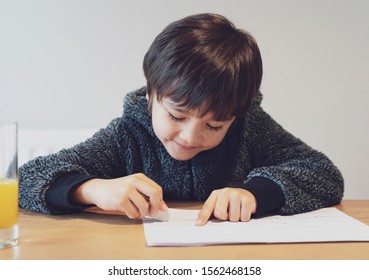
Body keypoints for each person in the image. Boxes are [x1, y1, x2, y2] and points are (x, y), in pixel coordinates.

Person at [19, 13, 344, 225]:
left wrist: (255, 193)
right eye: (176, 115)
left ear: (236, 115)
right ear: (151, 96)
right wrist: (91, 190)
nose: (190, 136)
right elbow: (27, 178)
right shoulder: (126, 135)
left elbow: (324, 174)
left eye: (214, 125)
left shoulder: (250, 128)